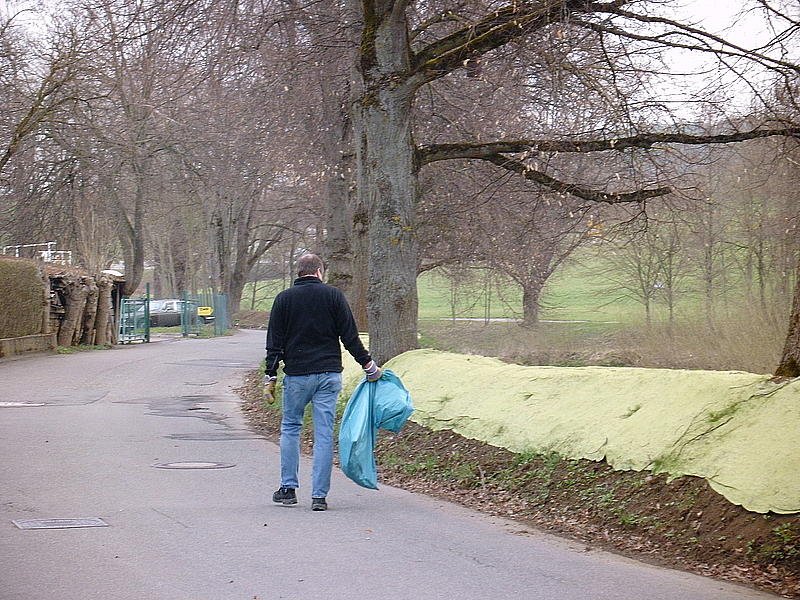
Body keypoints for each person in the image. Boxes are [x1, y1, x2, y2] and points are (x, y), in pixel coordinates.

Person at [264, 253, 381, 511]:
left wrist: (270, 375)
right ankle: (319, 496)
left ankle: (288, 489)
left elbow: (274, 342)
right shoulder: (333, 296)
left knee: (291, 427)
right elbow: (349, 336)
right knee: (324, 434)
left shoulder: (284, 299)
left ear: (299, 272)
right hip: (329, 374)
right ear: (319, 272)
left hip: (297, 376)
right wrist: (369, 365)